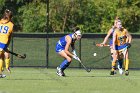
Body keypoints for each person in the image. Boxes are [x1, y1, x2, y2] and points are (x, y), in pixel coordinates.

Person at [0, 9, 14, 78]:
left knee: (1, 56)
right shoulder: (11, 25)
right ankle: (7, 67)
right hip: (3, 43)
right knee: (4, 55)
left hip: (1, 43)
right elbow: (9, 37)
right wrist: (6, 46)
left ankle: (1, 72)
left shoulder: (0, 22)